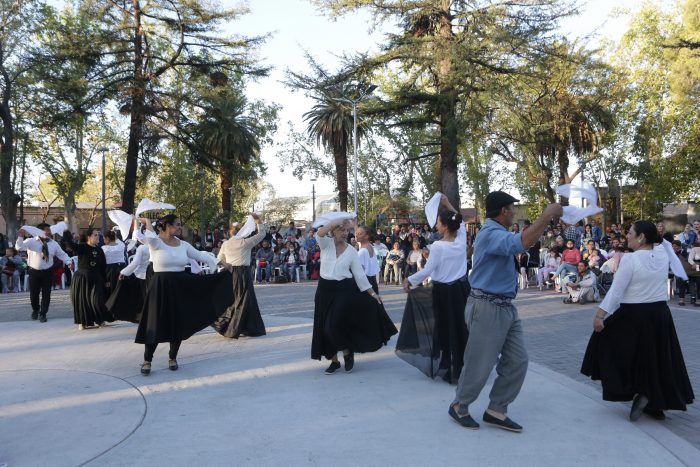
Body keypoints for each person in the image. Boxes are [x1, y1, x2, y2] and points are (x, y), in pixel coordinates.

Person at [449, 191, 562, 432]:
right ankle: (460, 405)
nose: (514, 211)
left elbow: (522, 241)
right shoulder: (490, 234)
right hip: (487, 307)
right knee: (479, 363)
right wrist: (546, 216)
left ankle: (496, 409)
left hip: (504, 308)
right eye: (512, 207)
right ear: (503, 211)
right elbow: (521, 243)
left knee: (518, 360)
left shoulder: (497, 232)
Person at [581, 221, 695, 421]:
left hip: (633, 315)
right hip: (660, 314)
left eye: (631, 233)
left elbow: (616, 290)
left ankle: (639, 393)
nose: (627, 237)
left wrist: (600, 315)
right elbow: (661, 245)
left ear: (641, 237)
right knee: (657, 358)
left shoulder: (630, 260)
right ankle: (654, 403)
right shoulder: (661, 254)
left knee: (608, 343)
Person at [136, 215, 232, 375]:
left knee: (177, 322)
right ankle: (147, 360)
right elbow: (151, 236)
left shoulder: (184, 245)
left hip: (179, 285)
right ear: (166, 226)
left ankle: (172, 357)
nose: (180, 228)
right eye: (177, 225)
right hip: (160, 287)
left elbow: (201, 255)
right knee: (154, 322)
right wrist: (147, 223)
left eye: (180, 225)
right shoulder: (156, 242)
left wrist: (222, 263)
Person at [311, 216, 397, 374]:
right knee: (323, 327)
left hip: (342, 290)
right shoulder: (326, 244)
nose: (345, 233)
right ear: (333, 231)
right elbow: (320, 232)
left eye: (347, 230)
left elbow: (359, 275)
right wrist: (338, 221)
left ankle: (347, 351)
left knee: (333, 325)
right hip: (324, 290)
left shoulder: (351, 251)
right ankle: (334, 361)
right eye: (341, 230)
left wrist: (372, 293)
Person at [400, 195, 470, 384]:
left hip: (443, 293)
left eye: (439, 223)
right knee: (461, 327)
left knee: (445, 328)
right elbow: (459, 220)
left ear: (446, 227)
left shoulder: (438, 246)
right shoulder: (461, 238)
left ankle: (448, 366)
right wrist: (447, 203)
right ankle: (462, 366)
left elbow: (429, 270)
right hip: (462, 290)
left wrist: (409, 280)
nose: (437, 226)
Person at [213, 214, 268, 339]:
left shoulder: (226, 244)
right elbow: (262, 235)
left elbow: (219, 259)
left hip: (229, 273)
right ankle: (241, 327)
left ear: (230, 233)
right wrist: (258, 221)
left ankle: (235, 326)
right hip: (242, 273)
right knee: (244, 301)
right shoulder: (245, 242)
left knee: (233, 300)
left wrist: (228, 266)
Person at [16, 224, 73, 322]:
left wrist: (69, 262)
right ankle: (35, 310)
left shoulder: (54, 243)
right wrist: (20, 237)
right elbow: (19, 247)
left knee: (46, 294)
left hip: (48, 272)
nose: (49, 232)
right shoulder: (31, 241)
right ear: (39, 231)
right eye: (47, 230)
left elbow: (62, 254)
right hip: (34, 272)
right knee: (34, 294)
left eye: (49, 230)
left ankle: (43, 313)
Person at [69, 228, 113, 330]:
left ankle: (100, 319)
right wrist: (66, 234)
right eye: (95, 235)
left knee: (97, 300)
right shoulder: (82, 247)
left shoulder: (99, 249)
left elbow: (103, 266)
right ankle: (83, 322)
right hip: (82, 278)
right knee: (82, 301)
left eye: (98, 235)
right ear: (89, 237)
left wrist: (106, 280)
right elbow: (71, 245)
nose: (98, 237)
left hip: (96, 278)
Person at [354, 224, 380, 293]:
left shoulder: (362, 251)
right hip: (372, 281)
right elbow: (358, 240)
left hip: (366, 283)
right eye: (356, 233)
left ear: (366, 236)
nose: (356, 235)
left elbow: (359, 271)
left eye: (359, 234)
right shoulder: (369, 245)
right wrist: (355, 224)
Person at [102, 230, 126, 300]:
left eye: (104, 239)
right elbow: (117, 239)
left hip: (110, 270)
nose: (103, 241)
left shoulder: (104, 248)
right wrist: (113, 233)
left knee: (111, 289)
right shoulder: (121, 245)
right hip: (122, 268)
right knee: (121, 288)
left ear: (107, 238)